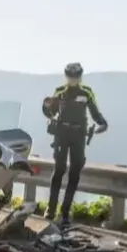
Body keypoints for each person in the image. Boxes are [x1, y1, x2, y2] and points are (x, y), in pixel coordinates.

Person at [42, 62, 107, 226]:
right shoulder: (59, 91)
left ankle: (65, 212)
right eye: (70, 76)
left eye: (76, 77)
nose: (73, 79)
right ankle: (51, 209)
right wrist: (46, 106)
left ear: (80, 77)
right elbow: (51, 113)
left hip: (79, 135)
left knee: (75, 173)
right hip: (62, 134)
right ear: (66, 76)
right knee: (59, 169)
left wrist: (102, 123)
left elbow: (94, 111)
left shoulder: (86, 92)